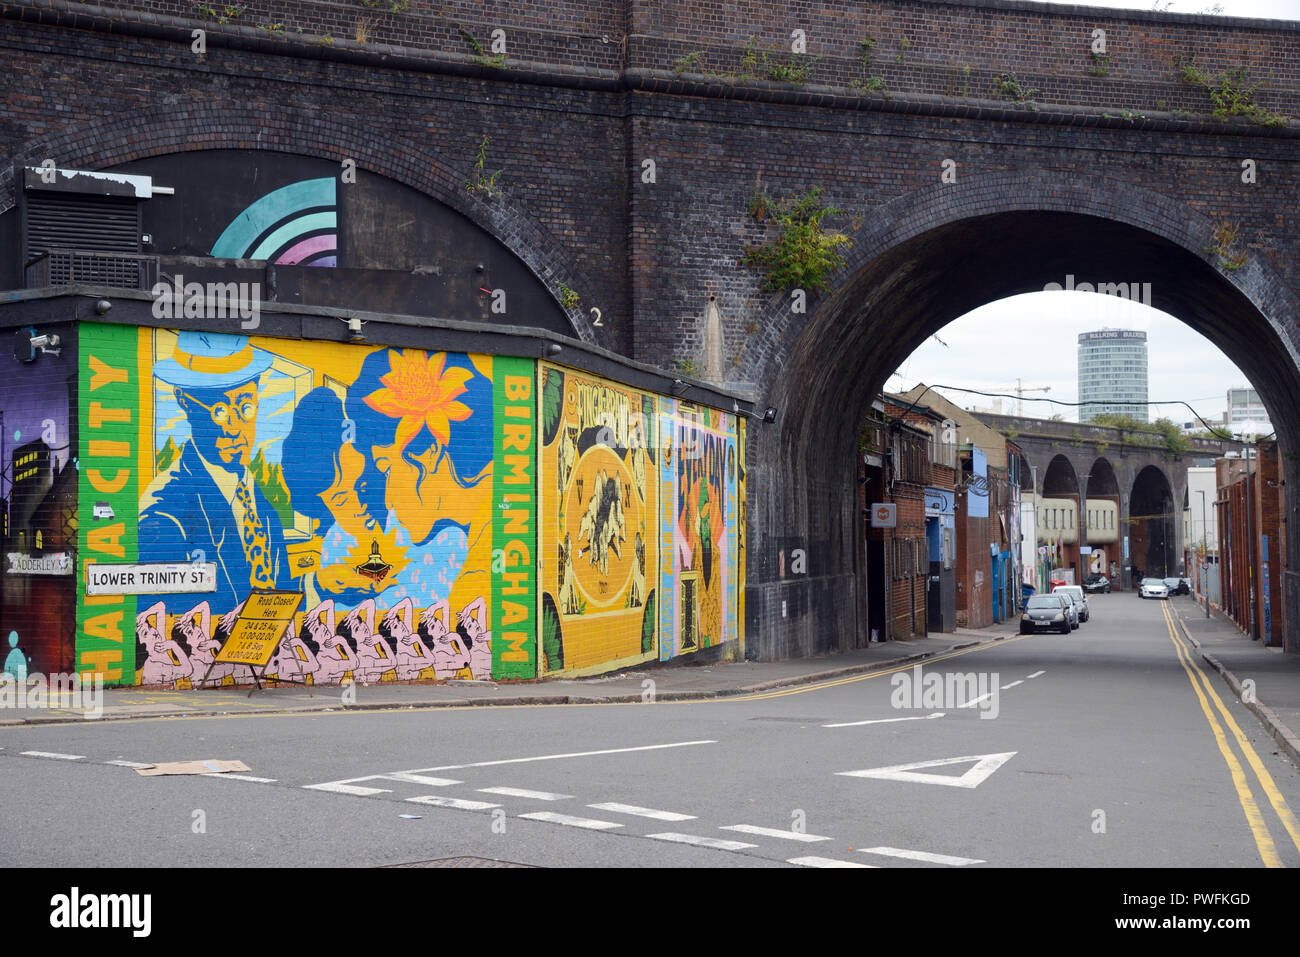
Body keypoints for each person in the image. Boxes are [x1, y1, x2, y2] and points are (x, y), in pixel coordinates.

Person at [139, 332, 287, 612]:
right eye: (218, 411)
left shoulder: (263, 508)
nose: (233, 427)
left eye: (246, 407)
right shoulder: (164, 513)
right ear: (185, 402)